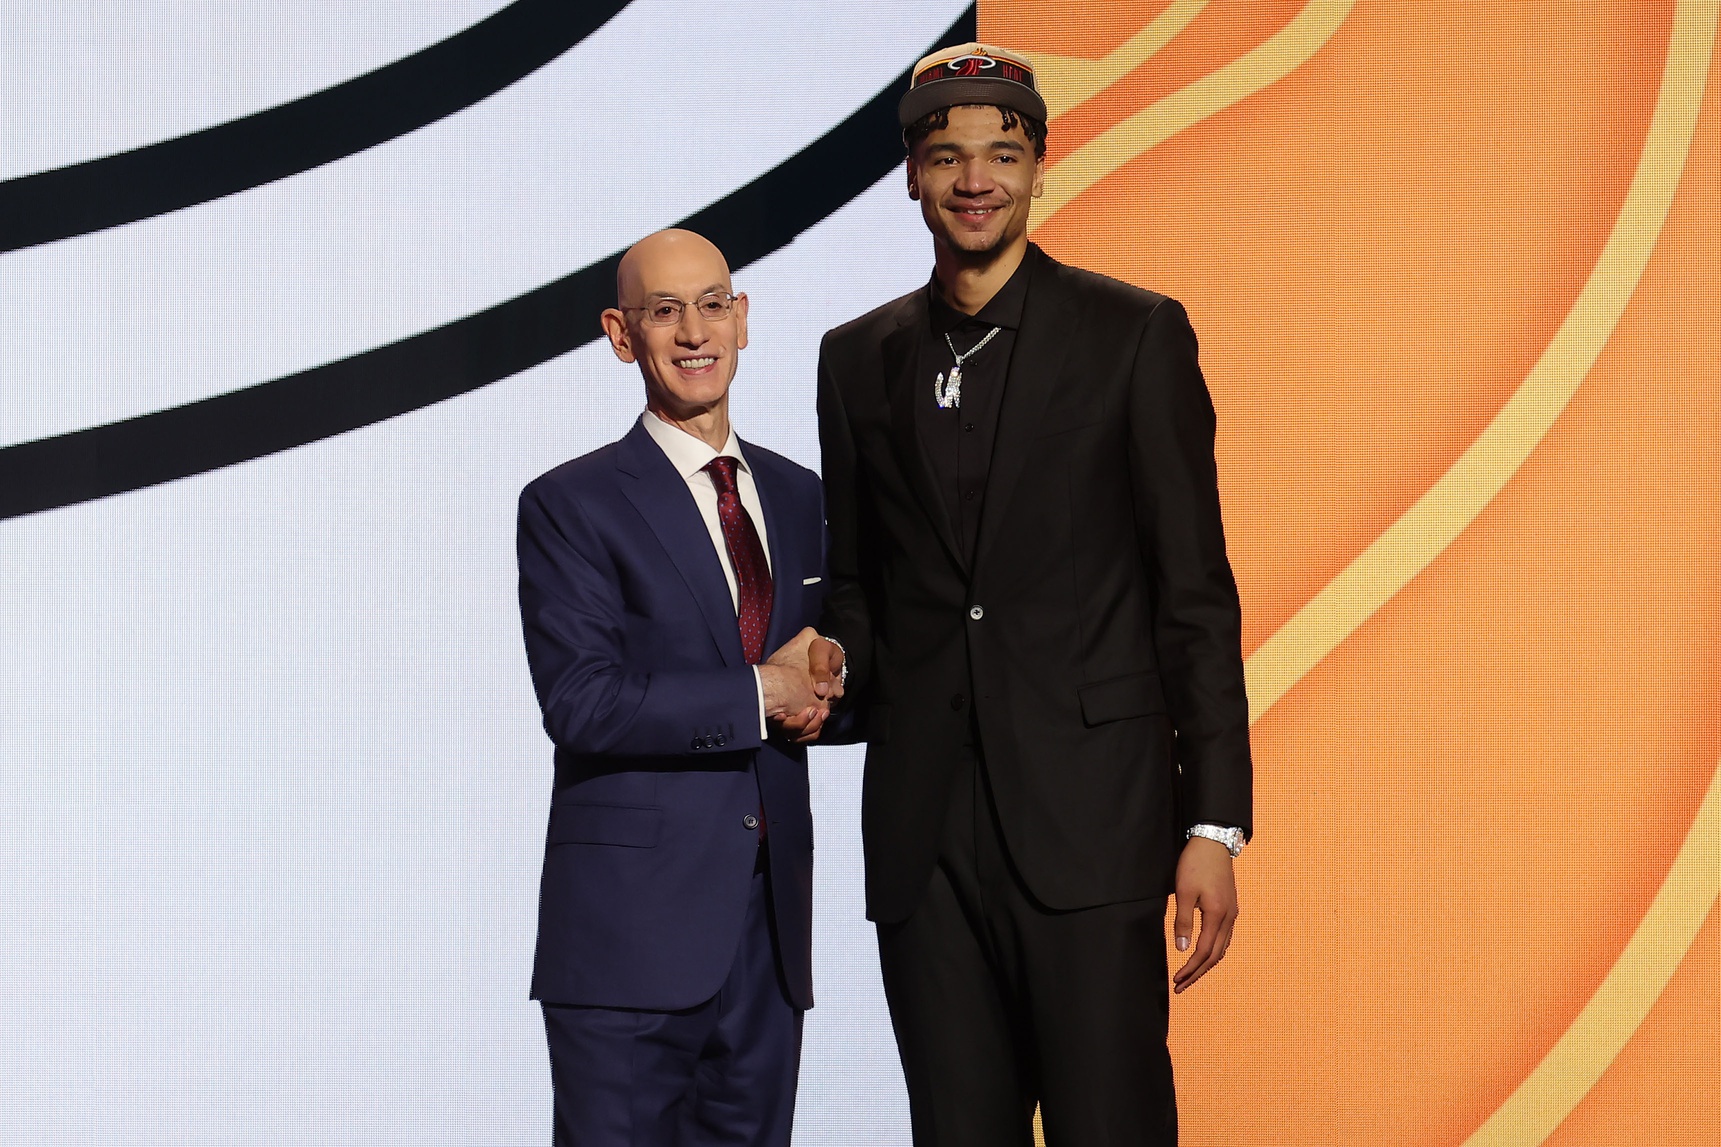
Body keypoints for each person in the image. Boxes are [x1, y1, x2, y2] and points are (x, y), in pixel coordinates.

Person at [808, 43, 1254, 1145]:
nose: (973, 179)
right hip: (923, 840)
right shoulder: (853, 357)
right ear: (909, 175)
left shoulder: (1133, 334)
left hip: (1092, 825)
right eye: (945, 155)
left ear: (1039, 165)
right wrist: (831, 665)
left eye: (1001, 154)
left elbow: (1192, 591)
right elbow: (864, 584)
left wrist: (1213, 823)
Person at [516, 229, 834, 1146]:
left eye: (711, 303)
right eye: (664, 310)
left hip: (768, 942)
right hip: (626, 944)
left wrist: (828, 682)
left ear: (742, 319)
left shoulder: (802, 495)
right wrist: (759, 694)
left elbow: (817, 672)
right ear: (622, 335)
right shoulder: (571, 503)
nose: (693, 330)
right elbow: (581, 700)